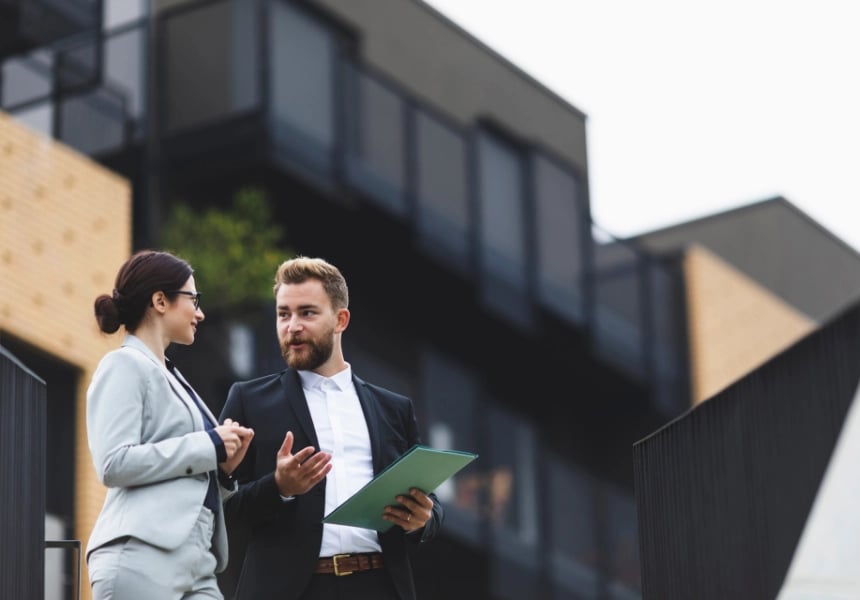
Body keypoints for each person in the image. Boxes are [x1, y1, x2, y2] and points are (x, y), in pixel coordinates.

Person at [220, 256, 443, 600]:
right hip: (290, 591)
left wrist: (423, 519)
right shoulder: (248, 400)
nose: (292, 326)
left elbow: (429, 501)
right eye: (283, 314)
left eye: (307, 313)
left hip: (379, 585)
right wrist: (278, 487)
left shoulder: (393, 409)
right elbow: (218, 506)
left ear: (341, 319)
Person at [86, 249, 255, 600]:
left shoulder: (172, 377)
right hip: (141, 556)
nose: (200, 312)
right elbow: (112, 463)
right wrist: (209, 445)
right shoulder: (124, 365)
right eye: (194, 299)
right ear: (160, 301)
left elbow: (186, 481)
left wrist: (222, 471)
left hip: (199, 564)